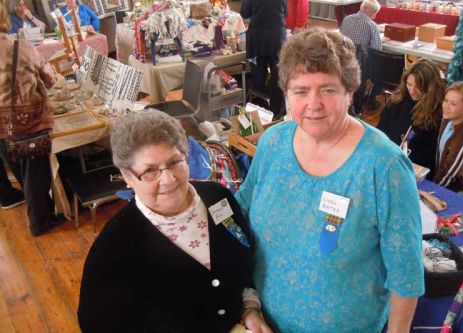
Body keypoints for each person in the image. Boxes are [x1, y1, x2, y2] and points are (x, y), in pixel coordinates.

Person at [236, 29, 424, 332]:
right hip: (263, 323)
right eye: (300, 91)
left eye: (327, 90)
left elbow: (406, 275)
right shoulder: (272, 143)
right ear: (286, 93)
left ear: (350, 92)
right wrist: (248, 304)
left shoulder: (384, 167)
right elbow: (239, 224)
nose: (314, 104)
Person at [78, 110, 272, 333]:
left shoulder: (219, 198)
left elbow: (243, 263)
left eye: (174, 162)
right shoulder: (112, 250)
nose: (168, 180)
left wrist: (250, 309)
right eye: (150, 170)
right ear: (127, 177)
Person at [0, 0, 66, 236]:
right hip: (29, 121)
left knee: (20, 169)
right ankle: (41, 222)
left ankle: (41, 211)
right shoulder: (20, 47)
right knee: (36, 174)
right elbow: (49, 78)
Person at [377, 58, 445, 178]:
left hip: (414, 170)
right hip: (387, 161)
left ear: (430, 87)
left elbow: (432, 155)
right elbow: (380, 131)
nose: (412, 90)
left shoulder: (437, 113)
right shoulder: (395, 101)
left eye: (418, 87)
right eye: (409, 84)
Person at [241, 0, 287, 118]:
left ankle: (260, 107)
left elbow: (244, 13)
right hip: (277, 36)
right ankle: (276, 108)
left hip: (258, 38)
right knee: (277, 72)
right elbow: (285, 12)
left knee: (258, 73)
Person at [340, 0, 382, 113]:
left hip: (342, 60)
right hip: (360, 64)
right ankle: (370, 100)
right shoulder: (371, 25)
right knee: (380, 68)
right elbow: (377, 49)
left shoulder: (346, 19)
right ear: (373, 13)